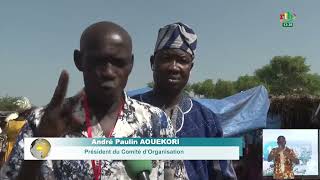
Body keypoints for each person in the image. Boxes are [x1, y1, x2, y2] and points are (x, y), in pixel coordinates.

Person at [0, 21, 185, 179]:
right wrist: (42, 146)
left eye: (118, 62)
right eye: (98, 61)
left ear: (131, 63)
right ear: (79, 60)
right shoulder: (41, 122)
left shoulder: (155, 122)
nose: (108, 72)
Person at [132, 22, 237, 180]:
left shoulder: (207, 120)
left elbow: (224, 175)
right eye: (166, 58)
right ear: (152, 62)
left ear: (190, 67)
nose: (174, 67)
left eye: (182, 60)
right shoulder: (127, 111)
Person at [2, 97, 32, 162]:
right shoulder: (28, 124)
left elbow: (3, 137)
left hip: (8, 154)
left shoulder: (9, 123)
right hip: (22, 154)